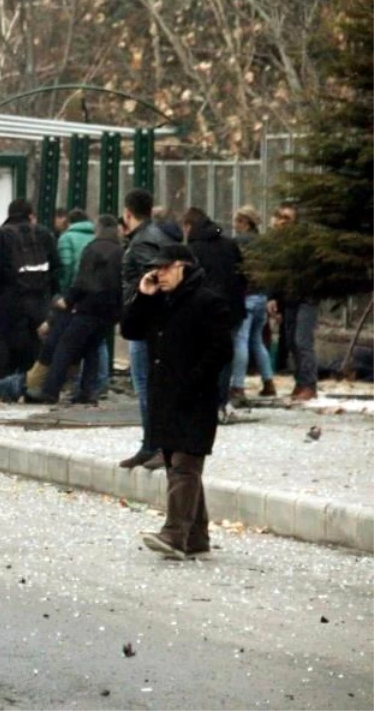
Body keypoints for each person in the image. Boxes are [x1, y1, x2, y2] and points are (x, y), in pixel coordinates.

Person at [121, 244, 233, 560]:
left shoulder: (208, 301)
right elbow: (130, 329)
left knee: (185, 463)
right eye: (156, 269)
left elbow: (221, 350)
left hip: (195, 397)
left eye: (166, 268)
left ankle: (173, 534)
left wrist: (195, 380)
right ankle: (196, 536)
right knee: (176, 463)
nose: (160, 274)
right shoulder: (160, 301)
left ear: (183, 266)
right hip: (166, 397)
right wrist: (143, 295)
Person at [117, 189, 180, 470]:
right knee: (149, 385)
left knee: (147, 386)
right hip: (152, 321)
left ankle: (154, 445)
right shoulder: (157, 236)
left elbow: (154, 279)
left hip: (146, 322)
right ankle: (151, 444)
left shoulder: (142, 242)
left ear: (128, 213)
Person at [30, 214, 123, 404]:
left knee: (65, 347)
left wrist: (69, 300)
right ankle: (88, 392)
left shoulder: (93, 248)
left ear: (99, 229)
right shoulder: (119, 251)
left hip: (88, 307)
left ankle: (50, 391)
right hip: (108, 311)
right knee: (92, 348)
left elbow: (83, 280)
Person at [0, 199, 60, 381]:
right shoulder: (44, 233)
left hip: (9, 300)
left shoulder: (2, 234)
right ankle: (30, 385)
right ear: (30, 214)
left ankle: (0, 385)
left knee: (1, 343)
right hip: (39, 301)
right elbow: (56, 267)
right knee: (34, 345)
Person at [181, 207, 246, 420]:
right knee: (225, 355)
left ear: (189, 226)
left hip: (203, 310)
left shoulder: (192, 249)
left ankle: (204, 403)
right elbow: (242, 275)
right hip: (231, 309)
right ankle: (222, 402)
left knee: (201, 356)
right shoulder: (230, 244)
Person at [267, 202, 318, 401]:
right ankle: (300, 381)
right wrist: (273, 297)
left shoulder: (305, 244)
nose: (281, 222)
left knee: (302, 340)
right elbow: (274, 272)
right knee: (290, 341)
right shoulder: (277, 244)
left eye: (286, 218)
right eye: (279, 217)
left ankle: (309, 384)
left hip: (306, 296)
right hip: (288, 298)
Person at [231, 205, 277, 401]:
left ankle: (238, 386)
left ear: (245, 222)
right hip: (262, 297)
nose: (235, 225)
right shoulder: (265, 244)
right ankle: (268, 382)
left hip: (246, 296)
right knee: (257, 341)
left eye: (237, 221)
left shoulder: (237, 243)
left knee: (240, 340)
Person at [56, 209, 93, 295]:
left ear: (69, 222)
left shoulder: (66, 238)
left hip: (74, 289)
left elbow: (67, 266)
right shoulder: (96, 236)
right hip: (93, 289)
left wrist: (62, 290)